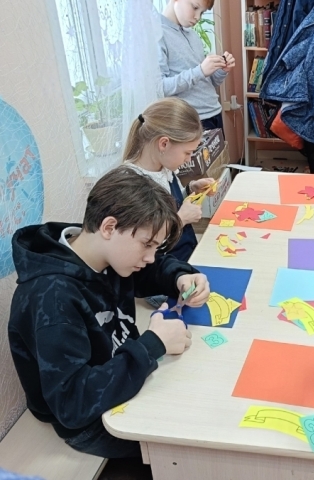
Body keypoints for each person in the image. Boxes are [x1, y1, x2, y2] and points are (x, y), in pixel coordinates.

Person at [8, 167, 210, 458]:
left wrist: (180, 276)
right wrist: (153, 345)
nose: (150, 257)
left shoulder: (102, 252)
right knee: (198, 440)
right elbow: (72, 404)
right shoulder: (52, 298)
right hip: (91, 420)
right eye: (147, 245)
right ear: (109, 227)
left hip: (125, 372)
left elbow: (153, 268)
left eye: (155, 247)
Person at [124, 97, 215, 307]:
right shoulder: (133, 184)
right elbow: (142, 248)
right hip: (161, 281)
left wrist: (190, 189)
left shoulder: (164, 169)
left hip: (184, 261)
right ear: (164, 143)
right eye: (187, 153)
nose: (189, 159)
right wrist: (180, 220)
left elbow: (169, 200)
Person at [159, 0, 235, 132]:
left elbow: (207, 82)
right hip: (189, 121)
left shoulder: (192, 34)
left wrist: (222, 71)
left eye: (202, 12)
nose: (198, 17)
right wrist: (200, 71)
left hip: (214, 112)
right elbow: (161, 88)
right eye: (195, 8)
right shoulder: (158, 35)